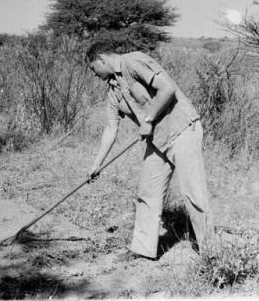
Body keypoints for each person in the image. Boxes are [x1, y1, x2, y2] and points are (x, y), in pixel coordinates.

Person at [86, 41, 212, 261]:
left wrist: (149, 118)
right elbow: (110, 128)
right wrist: (96, 164)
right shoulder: (113, 91)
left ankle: (212, 253)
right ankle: (142, 249)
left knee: (193, 193)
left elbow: (168, 88)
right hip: (158, 140)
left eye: (93, 68)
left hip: (182, 129)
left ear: (101, 59)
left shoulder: (133, 61)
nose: (94, 74)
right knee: (148, 192)